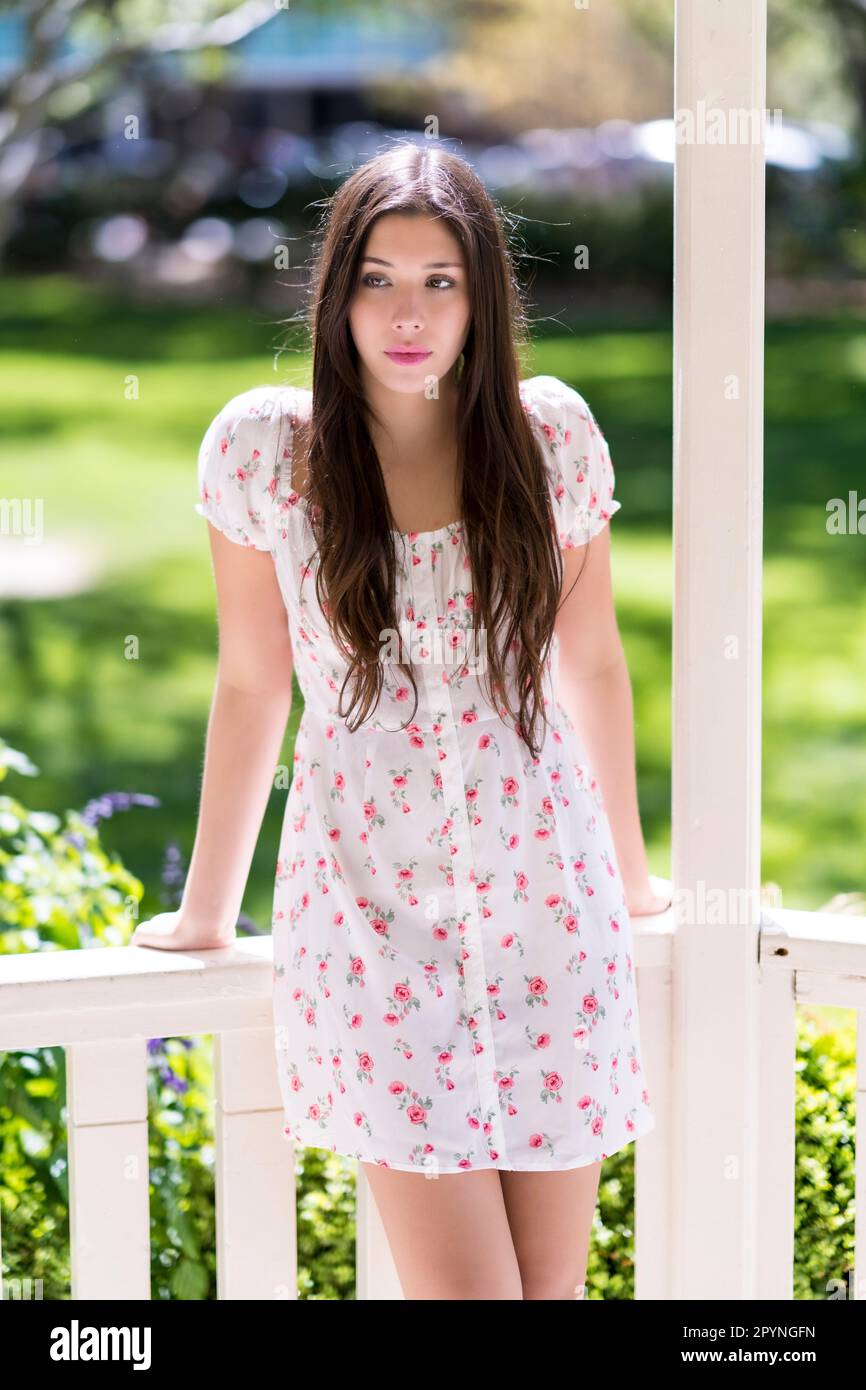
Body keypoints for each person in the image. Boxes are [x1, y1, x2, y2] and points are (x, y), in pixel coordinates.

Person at [132, 141, 671, 1300]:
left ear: (484, 296)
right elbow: (248, 681)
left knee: (553, 1293)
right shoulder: (266, 453)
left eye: (440, 280)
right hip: (373, 933)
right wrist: (204, 911)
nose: (407, 312)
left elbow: (592, 660)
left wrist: (626, 878)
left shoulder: (548, 441)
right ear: (335, 291)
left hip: (549, 923)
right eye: (376, 277)